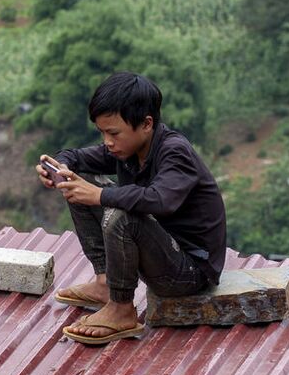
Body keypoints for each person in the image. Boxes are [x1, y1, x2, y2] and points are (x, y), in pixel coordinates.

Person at [37, 72, 226, 345]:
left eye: (113, 133)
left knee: (119, 213)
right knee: (79, 183)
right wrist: (59, 166)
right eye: (103, 133)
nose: (107, 142)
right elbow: (77, 157)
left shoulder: (174, 152)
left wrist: (100, 195)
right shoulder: (124, 150)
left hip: (189, 272)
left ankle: (122, 309)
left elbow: (160, 200)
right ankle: (105, 282)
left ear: (146, 124)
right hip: (159, 252)